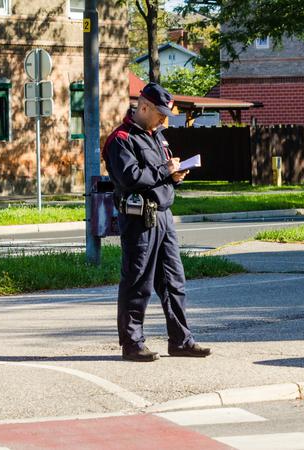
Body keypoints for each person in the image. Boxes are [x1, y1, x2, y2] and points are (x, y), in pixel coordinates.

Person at [102, 82, 211, 362]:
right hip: (139, 218)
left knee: (174, 281)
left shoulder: (157, 135)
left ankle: (181, 340)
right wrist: (165, 170)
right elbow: (131, 177)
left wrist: (174, 174)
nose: (164, 119)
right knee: (138, 282)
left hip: (164, 214)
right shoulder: (121, 139)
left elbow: (157, 173)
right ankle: (132, 343)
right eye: (161, 113)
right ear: (144, 106)